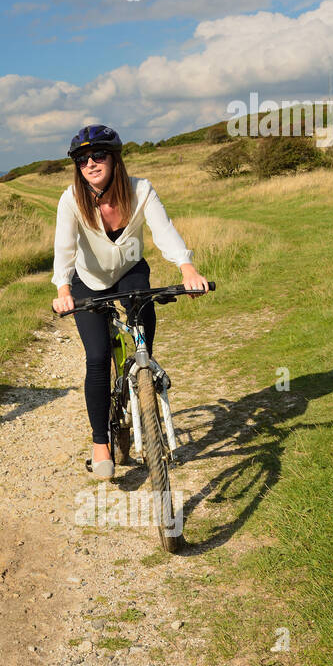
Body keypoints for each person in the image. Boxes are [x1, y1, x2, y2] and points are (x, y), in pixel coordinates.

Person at [50, 125, 209, 480]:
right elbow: (64, 248)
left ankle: (143, 385)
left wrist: (187, 269)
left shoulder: (141, 190)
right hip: (88, 281)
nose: (90, 163)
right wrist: (63, 290)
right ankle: (100, 444)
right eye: (82, 159)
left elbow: (164, 230)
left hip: (129, 270)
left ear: (115, 158)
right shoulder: (70, 200)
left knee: (143, 335)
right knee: (97, 356)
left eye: (99, 155)